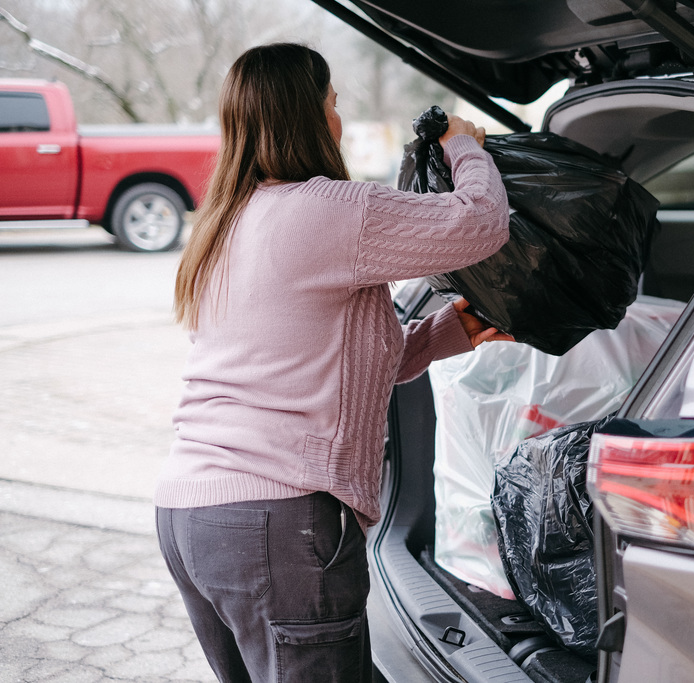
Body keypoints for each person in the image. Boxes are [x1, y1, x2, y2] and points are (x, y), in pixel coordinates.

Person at [154, 42, 510, 682]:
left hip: (192, 520)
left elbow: (341, 365)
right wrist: (466, 147)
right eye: (333, 103)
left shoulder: (228, 221)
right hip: (279, 524)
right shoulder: (326, 209)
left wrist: (454, 329)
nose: (338, 119)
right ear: (309, 115)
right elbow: (481, 224)